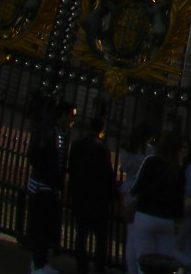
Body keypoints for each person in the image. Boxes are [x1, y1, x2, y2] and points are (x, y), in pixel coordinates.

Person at [127, 131, 191, 274]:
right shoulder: (178, 170)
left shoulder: (151, 161)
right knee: (163, 263)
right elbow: (178, 200)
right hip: (166, 220)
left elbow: (137, 187)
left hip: (145, 214)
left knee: (143, 260)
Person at [26, 100, 76, 274]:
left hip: (48, 186)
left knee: (45, 227)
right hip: (42, 186)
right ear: (63, 115)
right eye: (71, 115)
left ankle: (40, 262)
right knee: (41, 227)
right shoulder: (50, 132)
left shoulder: (58, 132)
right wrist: (49, 175)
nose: (73, 120)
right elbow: (37, 156)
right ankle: (38, 265)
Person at [68, 116, 118, 274]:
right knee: (101, 236)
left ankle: (81, 264)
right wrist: (113, 195)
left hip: (81, 194)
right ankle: (99, 265)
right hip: (98, 198)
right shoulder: (102, 149)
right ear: (102, 130)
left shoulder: (77, 145)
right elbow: (107, 175)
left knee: (81, 233)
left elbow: (72, 169)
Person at [119, 123, 155, 274]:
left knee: (130, 235)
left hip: (127, 189)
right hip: (140, 191)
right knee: (140, 237)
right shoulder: (149, 151)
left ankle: (130, 270)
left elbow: (124, 167)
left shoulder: (127, 147)